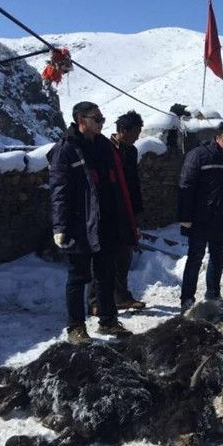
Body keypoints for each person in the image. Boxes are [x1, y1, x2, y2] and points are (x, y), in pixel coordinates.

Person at [48, 101, 137, 344]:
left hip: (106, 221)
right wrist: (60, 227)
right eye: (96, 119)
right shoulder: (65, 149)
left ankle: (108, 320)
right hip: (79, 223)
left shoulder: (104, 145)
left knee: (106, 274)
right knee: (78, 277)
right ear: (81, 120)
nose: (101, 123)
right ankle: (75, 328)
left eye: (101, 119)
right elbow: (59, 191)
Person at [178, 123, 223, 311]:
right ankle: (187, 300)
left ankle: (213, 295)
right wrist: (185, 216)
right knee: (195, 258)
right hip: (200, 218)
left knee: (219, 257)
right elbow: (186, 185)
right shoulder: (198, 155)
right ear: (217, 138)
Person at [88, 110, 146, 314]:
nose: (137, 137)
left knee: (124, 254)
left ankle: (121, 296)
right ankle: (95, 301)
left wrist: (136, 211)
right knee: (103, 257)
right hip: (107, 209)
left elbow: (133, 183)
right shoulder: (103, 148)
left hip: (126, 209)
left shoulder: (131, 152)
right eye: (135, 132)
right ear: (122, 130)